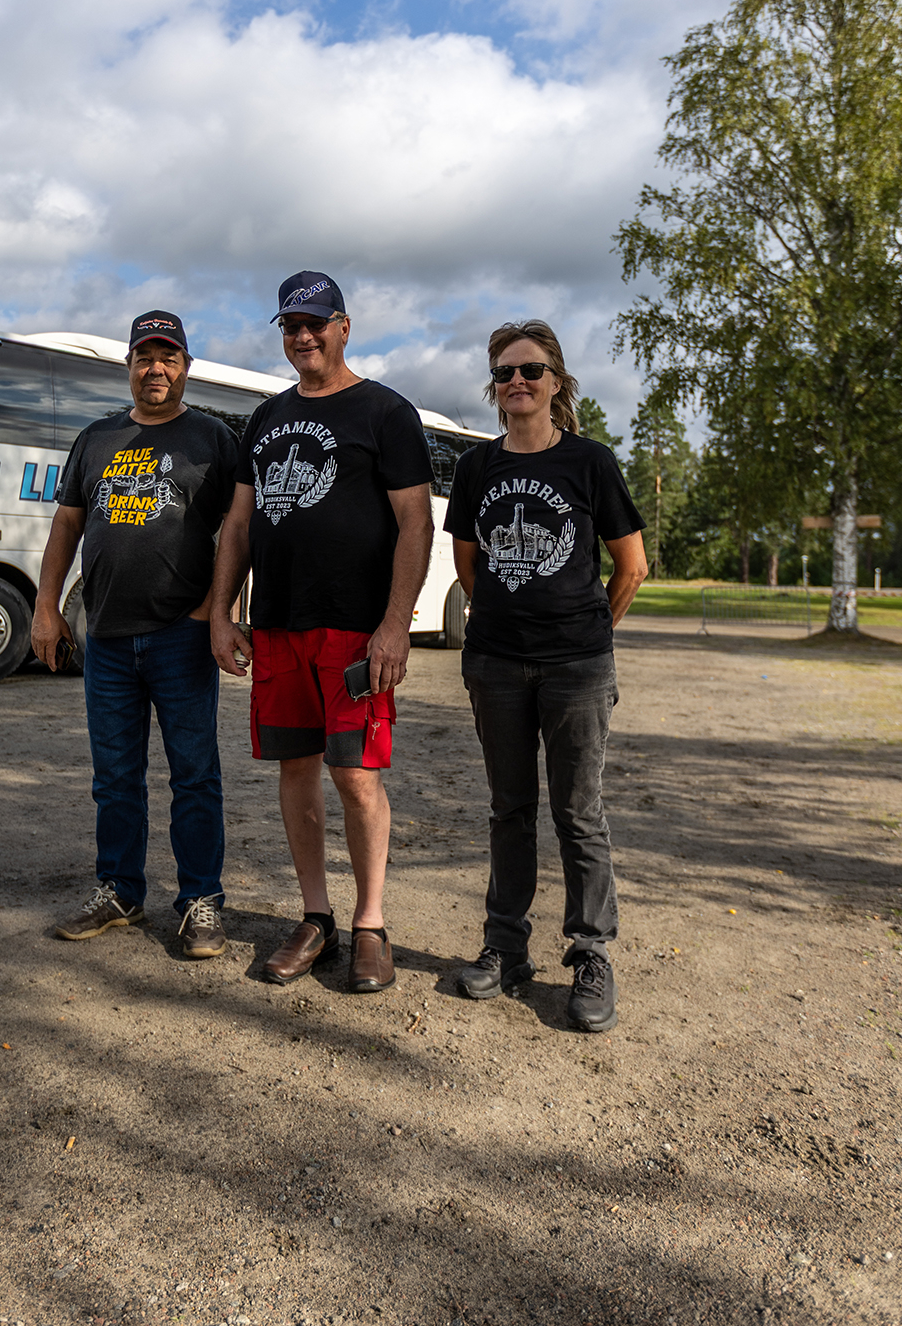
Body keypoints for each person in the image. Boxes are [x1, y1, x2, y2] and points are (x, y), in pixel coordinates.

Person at [210, 271, 434, 993]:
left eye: (314, 322)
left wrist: (395, 626)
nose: (301, 336)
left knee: (356, 775)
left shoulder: (386, 412)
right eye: (289, 325)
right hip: (277, 627)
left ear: (344, 325)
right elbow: (239, 523)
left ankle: (370, 925)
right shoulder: (266, 418)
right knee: (295, 770)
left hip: (354, 632)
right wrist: (222, 610)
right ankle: (317, 917)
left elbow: (415, 524)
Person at [443, 320, 647, 1031]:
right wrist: (506, 617)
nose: (517, 382)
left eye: (530, 370)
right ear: (494, 388)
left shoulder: (590, 462)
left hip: (578, 666)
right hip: (495, 663)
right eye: (504, 373)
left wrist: (590, 631)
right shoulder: (475, 468)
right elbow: (468, 565)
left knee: (579, 813)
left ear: (556, 383)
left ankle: (590, 955)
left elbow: (632, 565)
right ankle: (506, 946)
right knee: (509, 809)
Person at [32, 311, 238, 959]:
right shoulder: (95, 440)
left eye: (168, 357)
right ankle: (119, 890)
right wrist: (46, 607)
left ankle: (201, 902)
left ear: (185, 366)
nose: (156, 368)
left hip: (182, 635)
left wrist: (217, 610)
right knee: (114, 776)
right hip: (109, 640)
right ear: (128, 365)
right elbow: (67, 526)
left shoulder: (212, 438)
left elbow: (240, 532)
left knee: (194, 775)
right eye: (145, 357)